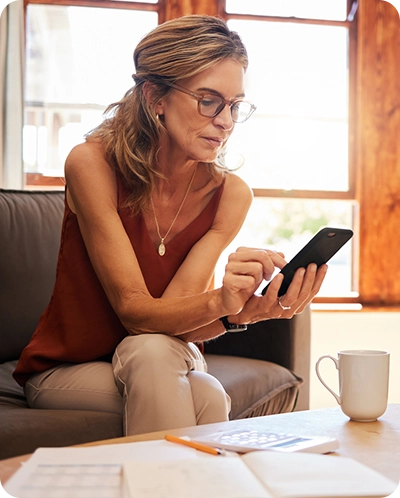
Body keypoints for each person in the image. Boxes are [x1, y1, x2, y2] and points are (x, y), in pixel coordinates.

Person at [13, 15, 327, 436]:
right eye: (208, 100)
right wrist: (222, 301)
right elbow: (136, 314)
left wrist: (242, 314)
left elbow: (170, 321)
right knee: (205, 393)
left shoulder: (230, 194)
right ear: (154, 96)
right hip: (70, 368)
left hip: (166, 354)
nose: (225, 121)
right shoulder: (92, 164)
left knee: (155, 353)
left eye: (235, 105)